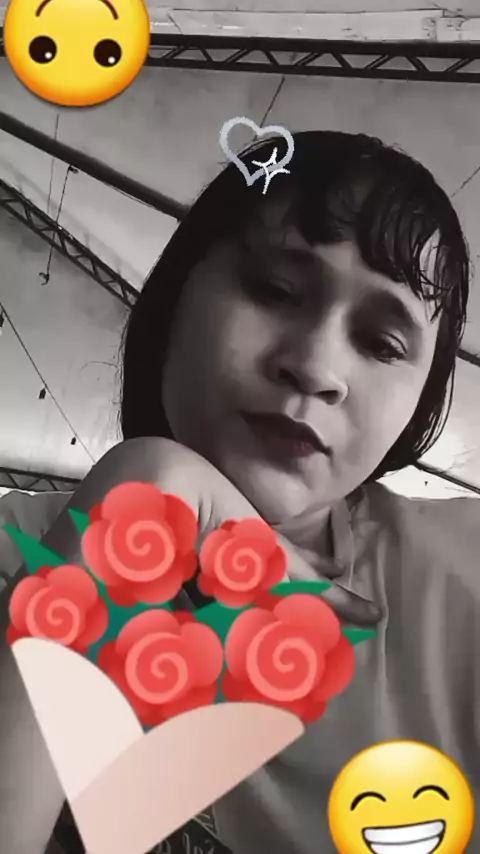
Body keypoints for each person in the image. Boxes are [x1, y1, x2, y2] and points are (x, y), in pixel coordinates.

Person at [0, 130, 477, 854]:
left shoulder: (462, 583)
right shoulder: (17, 556)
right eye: (276, 291)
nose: (316, 366)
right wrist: (141, 493)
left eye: (382, 344)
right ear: (174, 300)